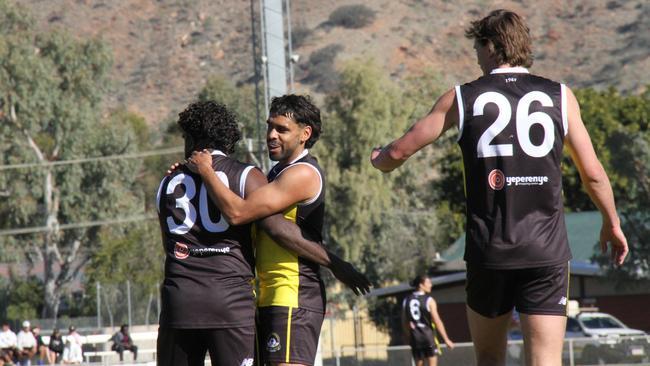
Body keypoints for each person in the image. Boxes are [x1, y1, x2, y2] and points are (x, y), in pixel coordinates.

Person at [370, 9, 628, 366]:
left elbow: (399, 151)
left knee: (490, 358)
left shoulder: (462, 98)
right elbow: (594, 174)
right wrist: (611, 222)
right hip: (546, 252)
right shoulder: (560, 96)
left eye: (477, 46)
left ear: (490, 46)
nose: (475, 55)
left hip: (490, 250)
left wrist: (379, 158)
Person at [157, 100, 368, 366]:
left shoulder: (302, 172)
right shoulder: (271, 174)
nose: (271, 135)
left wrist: (335, 264)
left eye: (282, 129)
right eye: (270, 127)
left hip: (293, 292)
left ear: (305, 134)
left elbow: (266, 224)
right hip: (264, 295)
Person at [402, 275, 454, 366]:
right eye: (428, 283)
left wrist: (409, 336)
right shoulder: (429, 300)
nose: (431, 285)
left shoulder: (406, 300)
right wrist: (446, 339)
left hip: (415, 338)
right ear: (421, 285)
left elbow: (404, 322)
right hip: (428, 337)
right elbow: (437, 320)